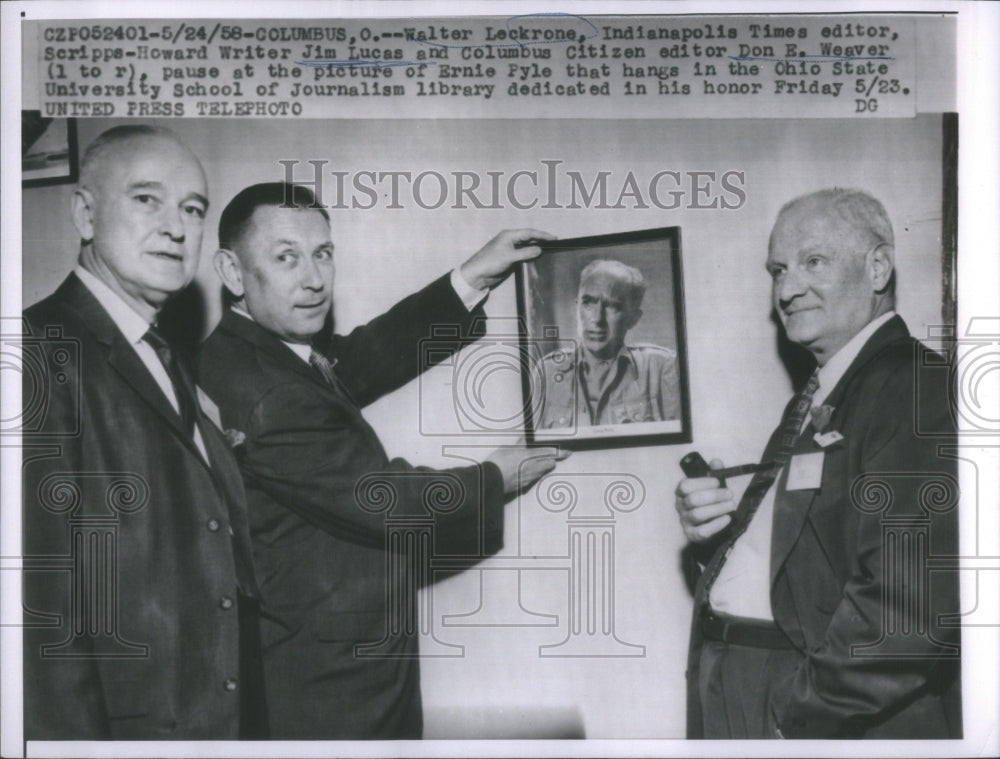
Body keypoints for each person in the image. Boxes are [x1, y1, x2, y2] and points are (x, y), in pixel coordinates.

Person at [197, 182, 566, 739]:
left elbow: (356, 362)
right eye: (286, 257)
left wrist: (472, 278)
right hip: (334, 691)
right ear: (231, 270)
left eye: (322, 253)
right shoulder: (265, 391)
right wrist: (496, 477)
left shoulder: (254, 355)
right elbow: (385, 499)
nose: (314, 279)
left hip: (324, 668)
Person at [674, 188, 960, 738]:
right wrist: (714, 535)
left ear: (878, 267)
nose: (787, 289)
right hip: (746, 686)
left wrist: (795, 721)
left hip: (805, 704)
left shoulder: (914, 385)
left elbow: (909, 611)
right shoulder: (823, 394)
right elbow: (805, 564)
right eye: (777, 269)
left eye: (814, 262)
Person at [22, 126, 266, 739]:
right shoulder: (37, 353)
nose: (177, 227)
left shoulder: (161, 353)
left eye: (192, 209)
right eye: (146, 199)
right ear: (84, 213)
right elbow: (42, 617)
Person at [535, 259, 680, 429]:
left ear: (633, 318)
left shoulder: (661, 368)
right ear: (576, 309)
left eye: (612, 306)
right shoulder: (547, 372)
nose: (597, 319)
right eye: (588, 302)